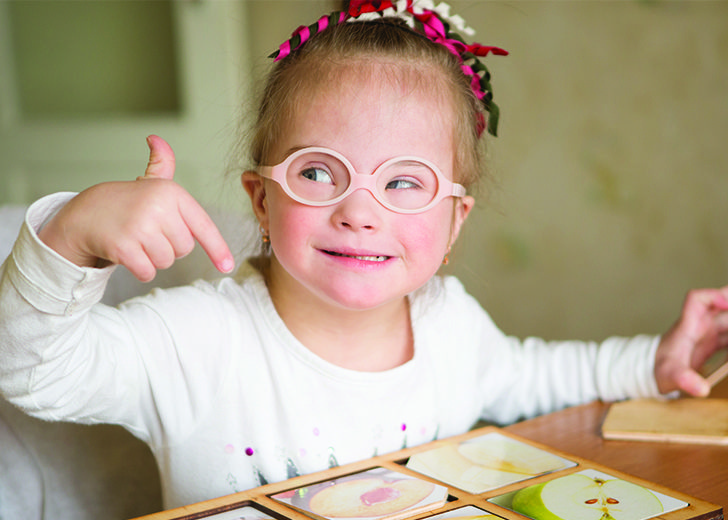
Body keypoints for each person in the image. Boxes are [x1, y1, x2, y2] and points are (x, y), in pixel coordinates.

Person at [1, 0, 727, 511]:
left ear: (452, 225)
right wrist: (70, 236)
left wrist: (655, 362)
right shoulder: (198, 340)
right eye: (318, 172)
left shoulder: (450, 326)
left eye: (404, 183)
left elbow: (540, 375)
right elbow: (35, 374)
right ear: (261, 199)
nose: (360, 211)